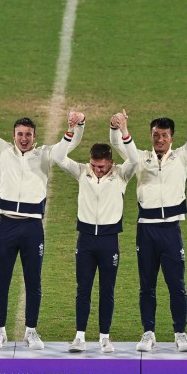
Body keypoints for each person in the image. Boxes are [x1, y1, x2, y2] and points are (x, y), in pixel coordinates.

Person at [0, 90, 84, 351]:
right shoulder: (2, 151)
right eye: (19, 134)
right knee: (0, 280)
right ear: (13, 136)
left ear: (34, 137)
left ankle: (31, 331)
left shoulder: (45, 154)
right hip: (6, 225)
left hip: (32, 228)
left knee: (33, 280)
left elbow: (66, 147)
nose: (23, 139)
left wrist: (76, 126)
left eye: (28, 135)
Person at [111, 94, 187, 353]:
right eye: (156, 135)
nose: (159, 139)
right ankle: (148, 333)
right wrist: (117, 127)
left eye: (164, 135)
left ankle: (180, 332)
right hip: (146, 230)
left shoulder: (182, 157)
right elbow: (119, 145)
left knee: (176, 284)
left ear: (172, 138)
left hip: (170, 230)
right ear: (151, 136)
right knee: (146, 284)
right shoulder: (140, 159)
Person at [53, 110, 139, 353]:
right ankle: (79, 336)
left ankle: (104, 337)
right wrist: (72, 129)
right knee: (83, 289)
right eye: (94, 165)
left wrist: (122, 130)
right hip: (86, 240)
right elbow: (59, 157)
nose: (97, 170)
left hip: (110, 241)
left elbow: (135, 159)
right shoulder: (82, 172)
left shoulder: (122, 174)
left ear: (110, 162)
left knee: (107, 290)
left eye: (101, 166)